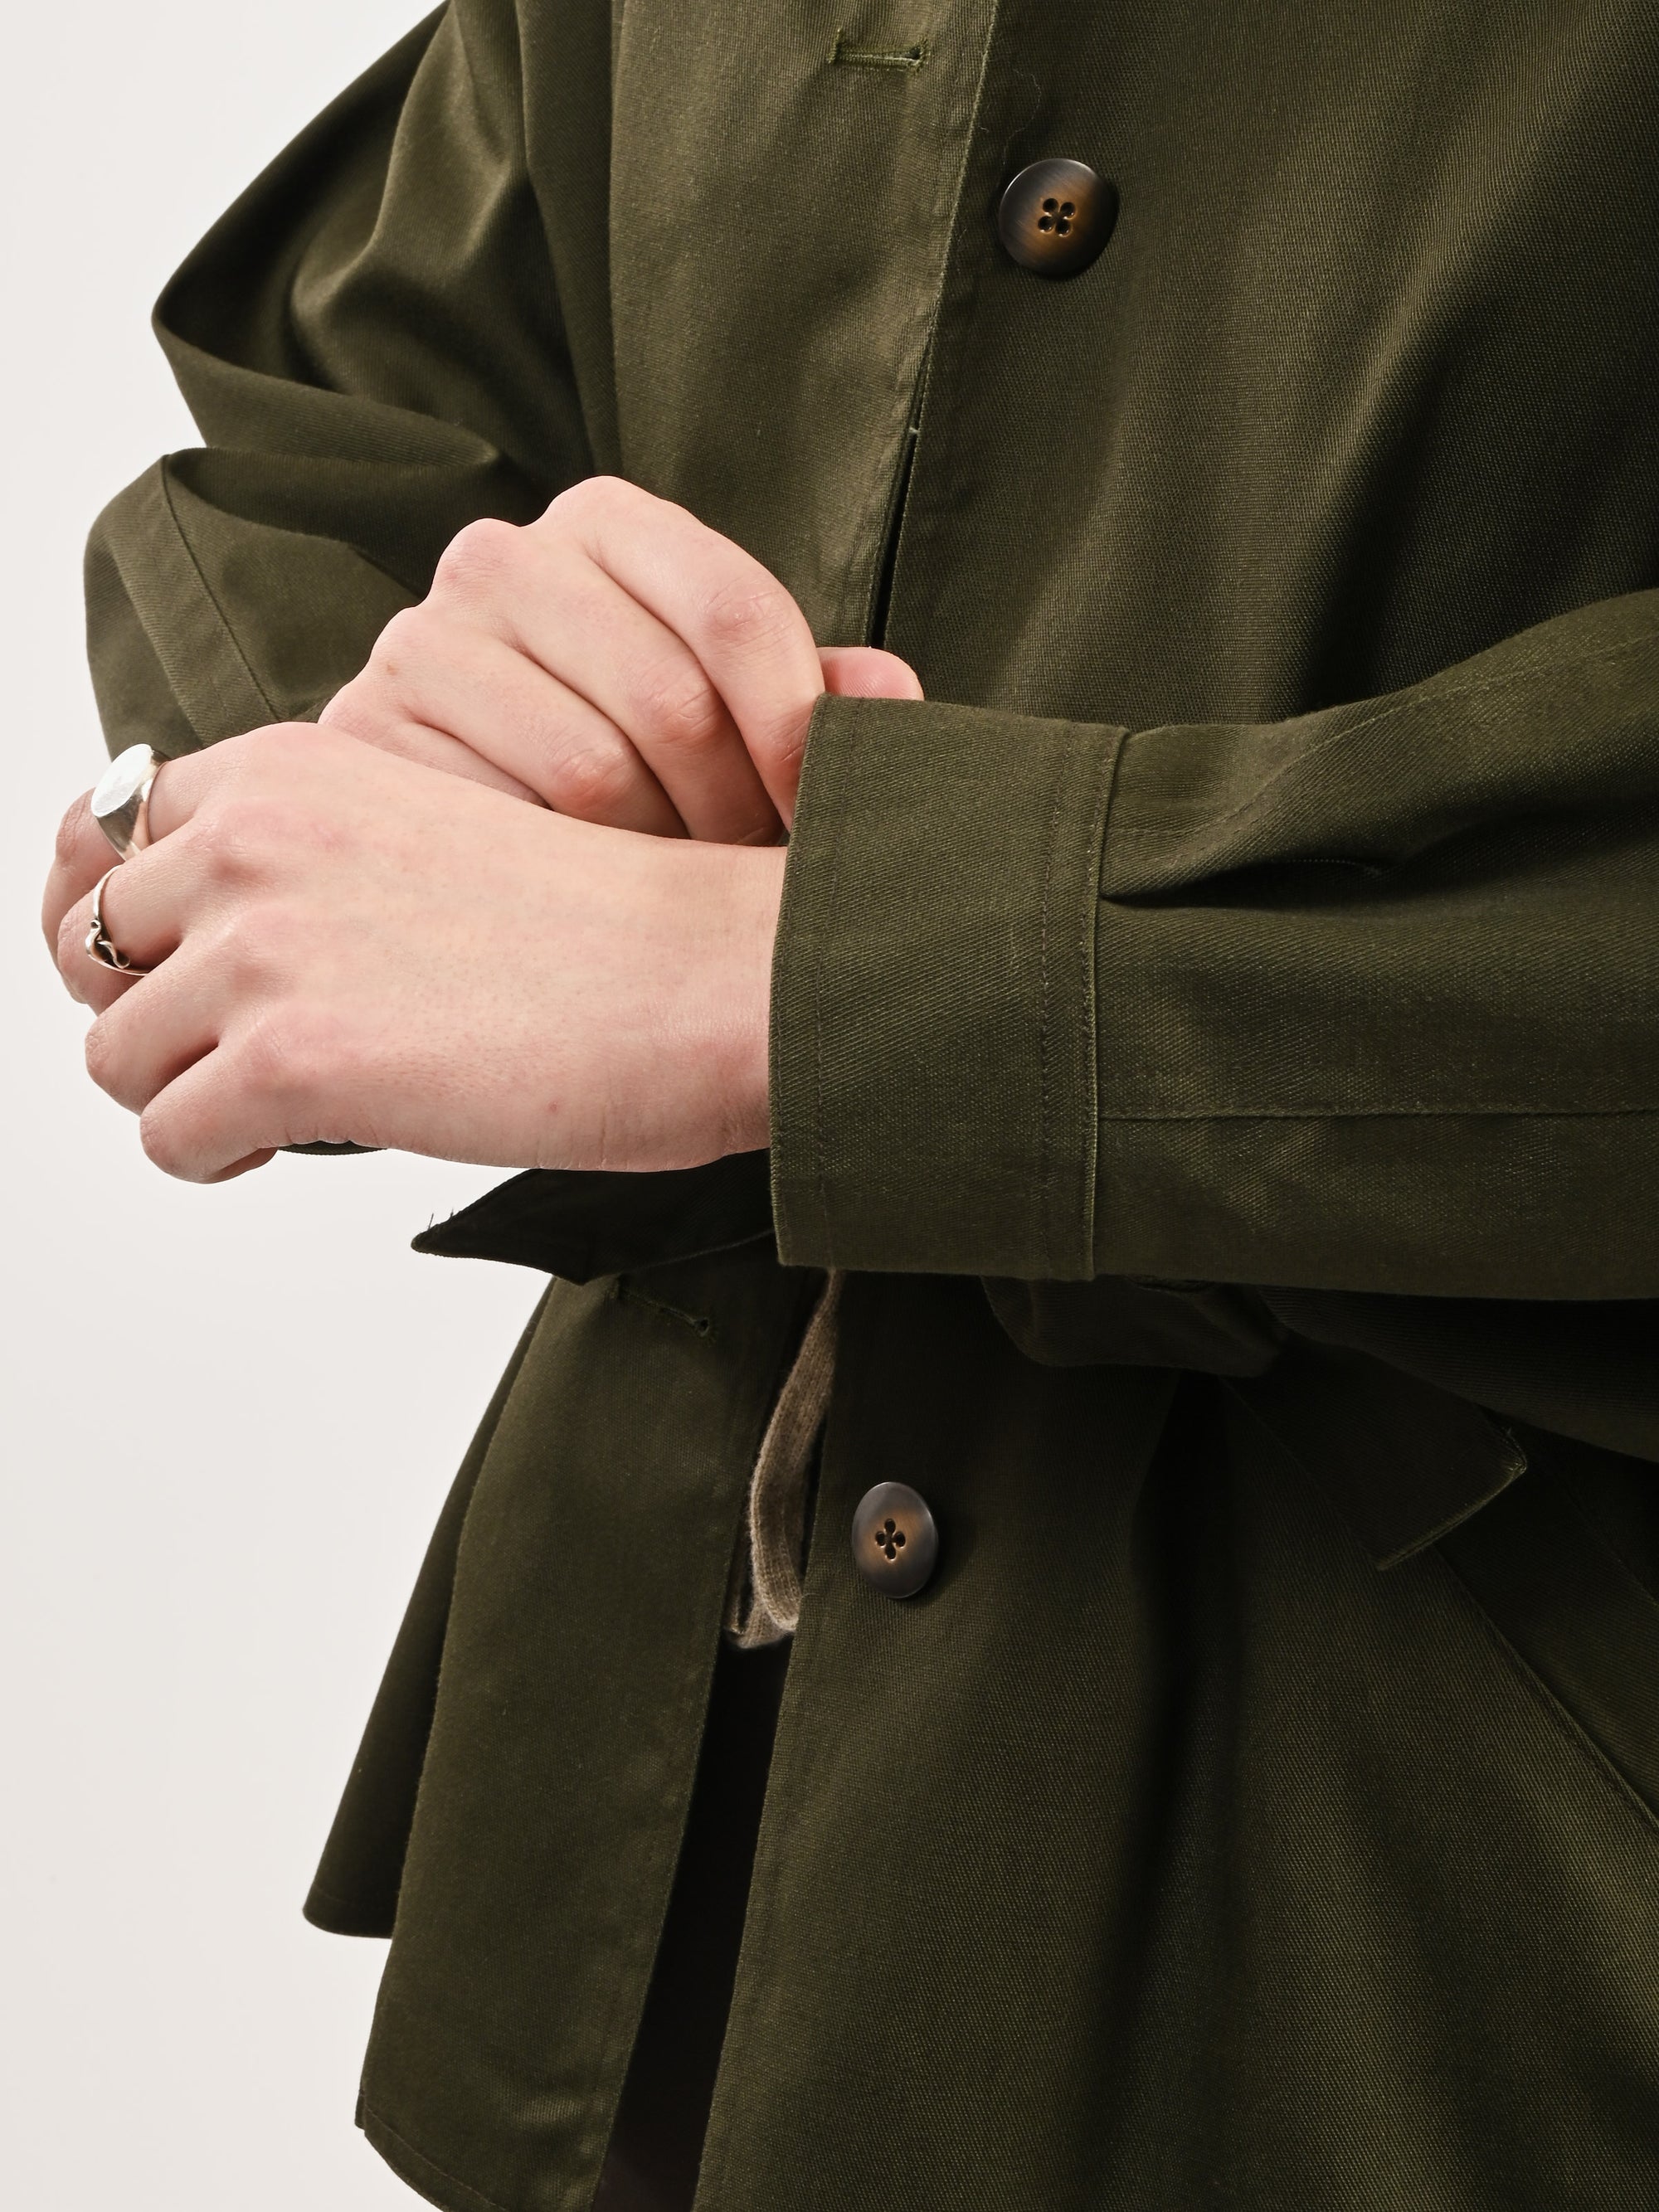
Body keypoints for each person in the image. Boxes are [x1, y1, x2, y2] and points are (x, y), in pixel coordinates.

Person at [41, 3, 1659, 2206]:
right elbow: (352, 410)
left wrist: (799, 975)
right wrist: (328, 801)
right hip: (688, 1889)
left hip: (1454, 1951)